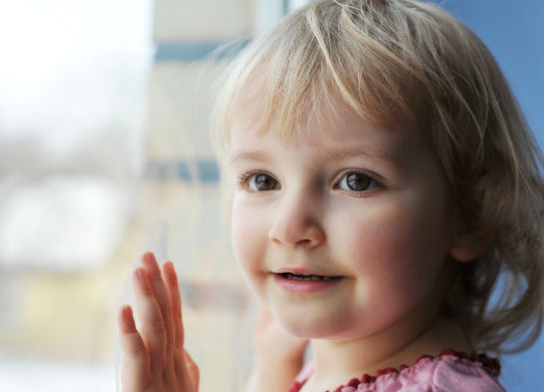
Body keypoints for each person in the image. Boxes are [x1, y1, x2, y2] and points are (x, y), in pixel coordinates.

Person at [116, 0, 544, 390]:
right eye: (262, 180)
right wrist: (272, 370)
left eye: (356, 180)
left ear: (471, 215)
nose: (289, 228)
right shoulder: (326, 367)